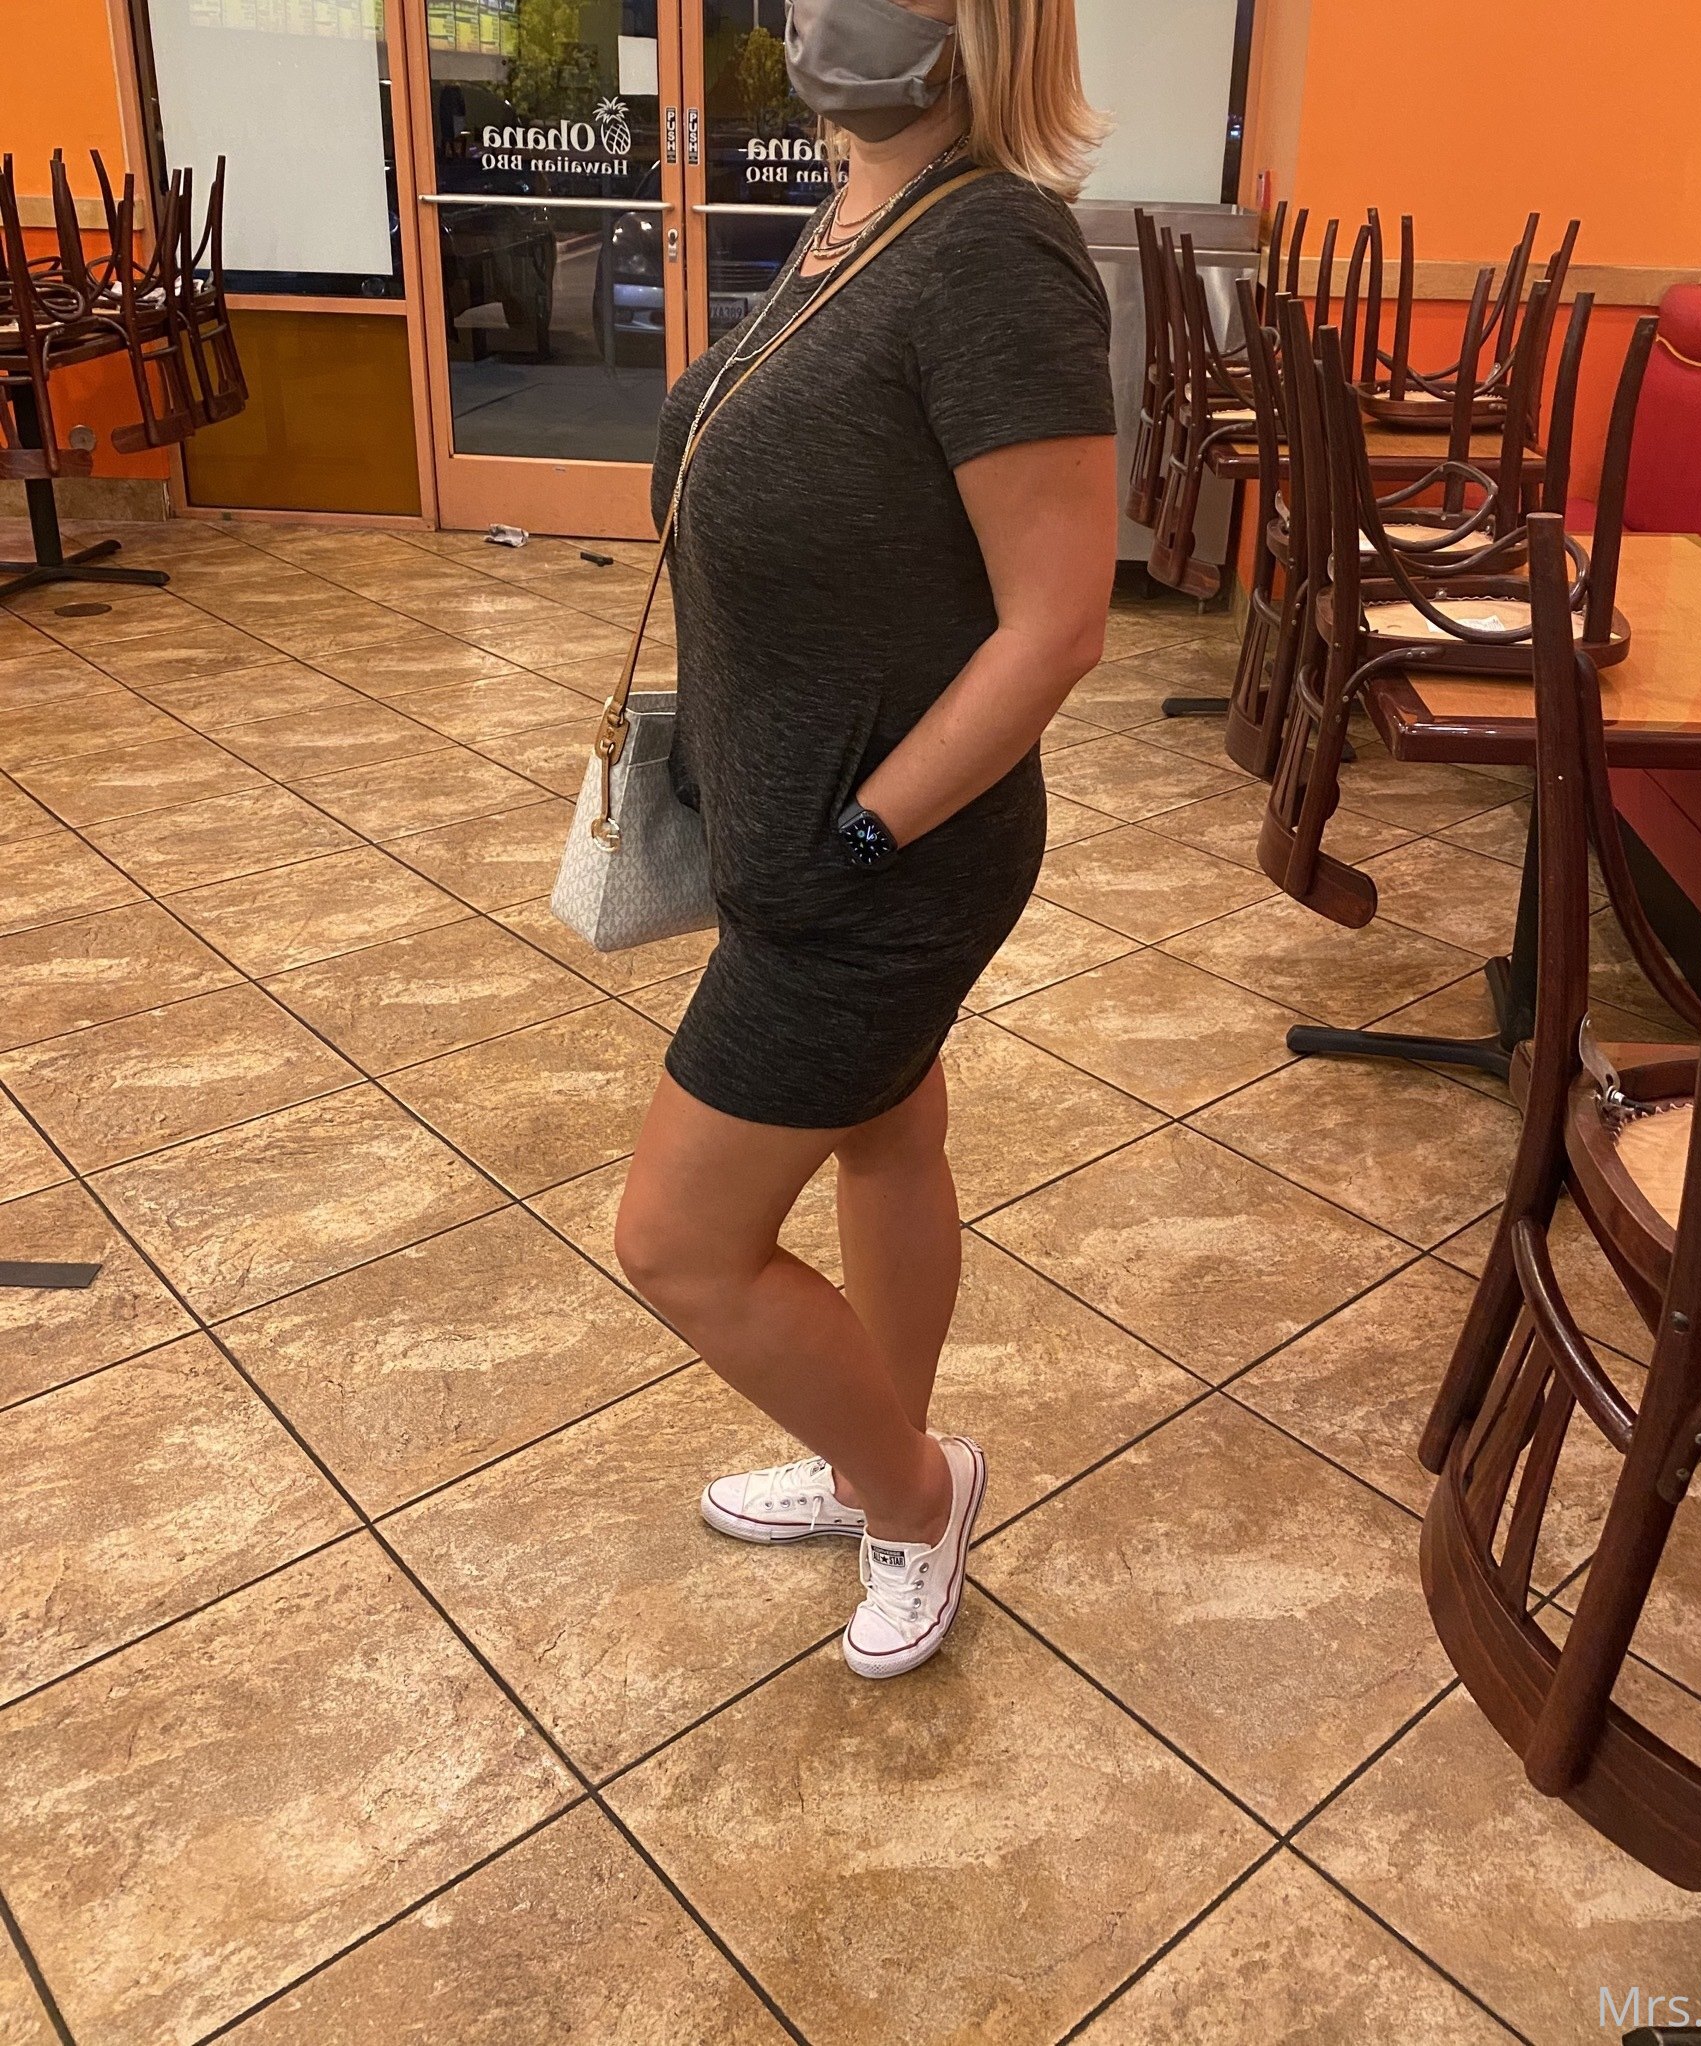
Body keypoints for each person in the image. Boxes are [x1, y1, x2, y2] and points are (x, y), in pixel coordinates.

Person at [613, 0, 1118, 1680]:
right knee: (888, 1138)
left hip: (879, 865)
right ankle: (865, 1458)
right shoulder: (860, 211)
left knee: (680, 1243)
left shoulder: (990, 251)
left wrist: (862, 829)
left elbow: (1056, 623)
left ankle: (913, 1489)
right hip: (801, 831)